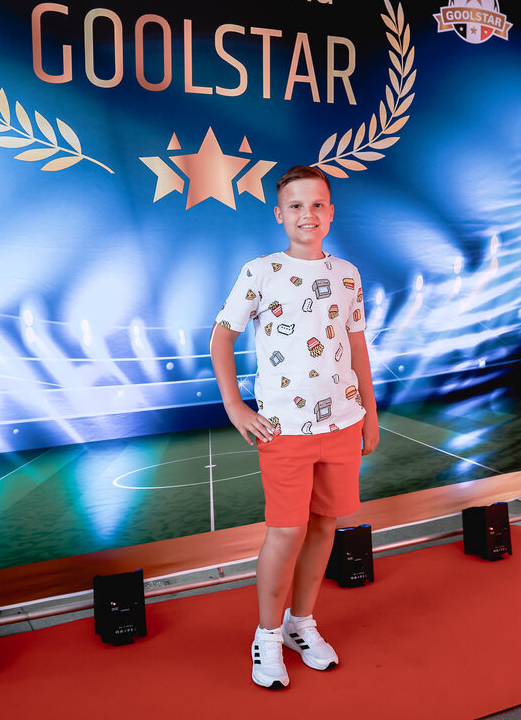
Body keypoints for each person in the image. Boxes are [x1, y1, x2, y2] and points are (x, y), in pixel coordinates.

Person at [210, 164, 379, 689]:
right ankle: (266, 634)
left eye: (318, 204)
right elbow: (221, 336)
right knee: (287, 530)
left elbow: (356, 346)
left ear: (331, 211)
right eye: (297, 206)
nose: (309, 214)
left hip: (343, 423)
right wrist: (235, 407)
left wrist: (370, 413)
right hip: (284, 429)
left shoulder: (347, 273)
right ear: (279, 214)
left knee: (325, 524)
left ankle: (299, 623)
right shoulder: (260, 272)